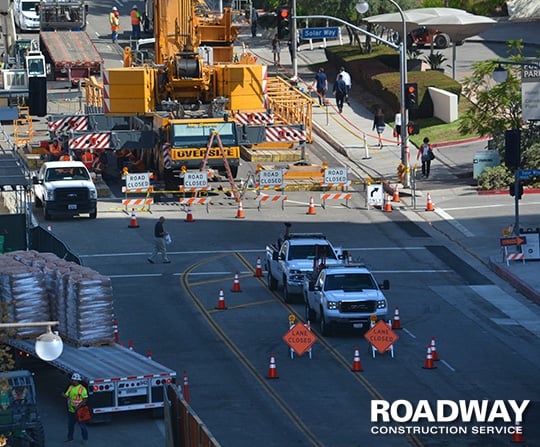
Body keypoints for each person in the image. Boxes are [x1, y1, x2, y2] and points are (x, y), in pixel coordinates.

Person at [63, 373, 88, 444]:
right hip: (71, 410)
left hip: (80, 410)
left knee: (82, 426)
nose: (72, 381)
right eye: (72, 380)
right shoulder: (70, 387)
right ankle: (70, 438)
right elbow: (67, 395)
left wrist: (78, 406)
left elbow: (85, 399)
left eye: (74, 380)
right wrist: (64, 395)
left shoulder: (82, 389)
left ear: (77, 381)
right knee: (70, 425)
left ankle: (85, 439)